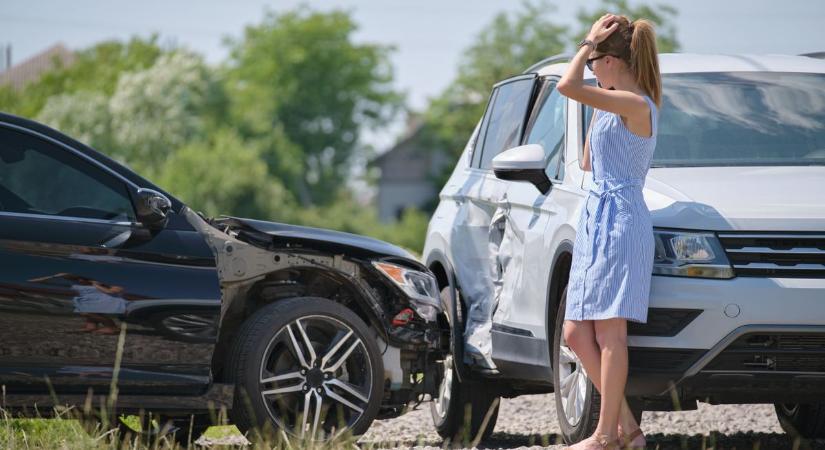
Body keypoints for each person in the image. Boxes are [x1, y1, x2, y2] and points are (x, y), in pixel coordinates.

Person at [556, 13, 661, 450]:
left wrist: (586, 42)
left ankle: (605, 436)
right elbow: (587, 162)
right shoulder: (612, 101)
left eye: (595, 60)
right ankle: (630, 430)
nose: (590, 67)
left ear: (612, 61)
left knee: (609, 334)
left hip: (621, 221)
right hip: (596, 219)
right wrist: (597, 96)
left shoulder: (638, 105)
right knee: (576, 333)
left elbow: (566, 86)